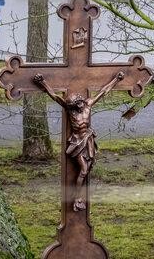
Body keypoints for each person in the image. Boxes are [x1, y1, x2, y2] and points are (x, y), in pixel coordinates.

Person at [33, 71, 125, 211]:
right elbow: (55, 96)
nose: (81, 105)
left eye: (81, 102)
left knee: (87, 169)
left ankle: (79, 197)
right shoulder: (70, 110)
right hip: (77, 142)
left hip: (88, 140)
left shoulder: (88, 105)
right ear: (74, 105)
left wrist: (116, 80)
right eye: (78, 104)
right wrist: (42, 82)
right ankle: (77, 198)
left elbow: (103, 92)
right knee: (83, 169)